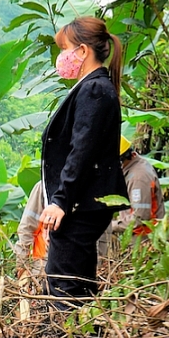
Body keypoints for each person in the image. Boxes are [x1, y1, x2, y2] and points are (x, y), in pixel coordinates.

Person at [39, 17, 129, 303]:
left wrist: (61, 201)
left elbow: (82, 151)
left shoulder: (94, 90)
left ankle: (68, 330)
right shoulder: (94, 87)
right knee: (76, 282)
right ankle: (84, 328)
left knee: (64, 287)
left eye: (64, 48)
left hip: (81, 204)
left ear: (82, 51)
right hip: (85, 203)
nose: (61, 56)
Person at [112, 136, 165, 236]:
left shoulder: (138, 178)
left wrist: (113, 226)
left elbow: (140, 217)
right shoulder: (134, 165)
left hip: (144, 236)